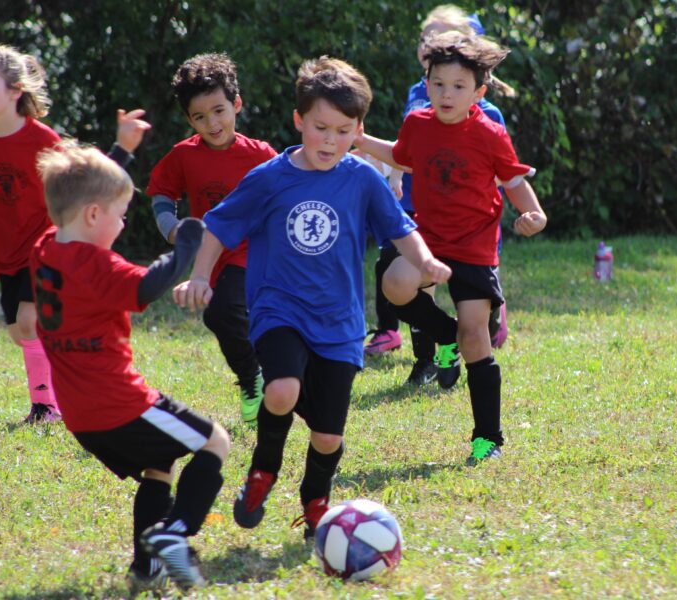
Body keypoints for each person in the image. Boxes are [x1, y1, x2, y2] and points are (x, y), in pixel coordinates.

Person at [173, 57, 451, 538]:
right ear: (299, 120)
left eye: (344, 131)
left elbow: (401, 229)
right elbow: (217, 227)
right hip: (279, 309)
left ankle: (315, 501)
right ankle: (262, 472)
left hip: (340, 321)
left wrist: (425, 262)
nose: (330, 140)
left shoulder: (362, 179)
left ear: (359, 130)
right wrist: (201, 276)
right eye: (320, 127)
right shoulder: (270, 176)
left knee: (328, 435)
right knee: (282, 390)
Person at [31, 142, 230, 591]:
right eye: (121, 215)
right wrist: (187, 245)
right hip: (121, 405)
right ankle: (173, 533)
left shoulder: (45, 248)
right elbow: (149, 285)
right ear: (94, 216)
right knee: (215, 442)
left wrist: (117, 155)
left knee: (161, 464)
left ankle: (146, 568)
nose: (123, 226)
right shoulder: (100, 266)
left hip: (81, 418)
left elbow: (74, 202)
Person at [355, 31, 547, 465]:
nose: (447, 94)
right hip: (430, 240)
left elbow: (513, 180)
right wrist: (363, 142)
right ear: (426, 85)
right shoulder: (417, 123)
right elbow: (403, 157)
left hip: (475, 245)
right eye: (438, 84)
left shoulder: (489, 133)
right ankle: (444, 335)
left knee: (476, 335)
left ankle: (487, 438)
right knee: (394, 284)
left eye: (458, 87)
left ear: (478, 93)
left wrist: (536, 215)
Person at [0, 44, 149, 424]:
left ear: (15, 91)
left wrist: (121, 149)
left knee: (29, 321)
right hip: (6, 252)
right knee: (19, 330)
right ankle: (66, 384)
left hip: (47, 244)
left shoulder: (42, 138)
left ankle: (45, 407)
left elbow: (81, 179)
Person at [365, 5, 516, 389]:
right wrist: (395, 175)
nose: (429, 45)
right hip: (420, 208)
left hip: (470, 223)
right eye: (425, 39)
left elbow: (500, 170)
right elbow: (406, 147)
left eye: (442, 38)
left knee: (473, 311)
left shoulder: (488, 114)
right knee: (411, 282)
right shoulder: (419, 95)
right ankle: (427, 358)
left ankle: (477, 331)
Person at [147, 53, 276, 425]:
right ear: (189, 119)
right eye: (200, 117)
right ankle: (255, 377)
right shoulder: (183, 156)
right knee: (221, 319)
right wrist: (172, 229)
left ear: (236, 104)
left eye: (219, 111)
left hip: (252, 252)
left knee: (222, 312)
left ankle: (255, 379)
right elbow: (161, 194)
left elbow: (281, 200)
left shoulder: (261, 155)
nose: (212, 123)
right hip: (211, 254)